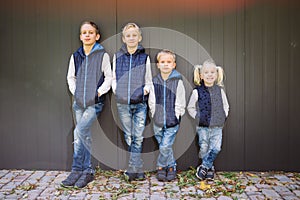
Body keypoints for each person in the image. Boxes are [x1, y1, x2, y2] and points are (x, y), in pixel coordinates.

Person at [62, 21, 112, 188]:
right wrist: (76, 93)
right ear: (80, 36)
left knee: (79, 131)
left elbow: (109, 78)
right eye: (84, 32)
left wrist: (98, 92)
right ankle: (84, 172)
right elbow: (71, 77)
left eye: (91, 32)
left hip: (94, 103)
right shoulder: (75, 56)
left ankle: (79, 169)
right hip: (79, 103)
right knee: (85, 135)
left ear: (97, 36)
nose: (87, 35)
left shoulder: (102, 55)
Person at [112, 22, 152, 181]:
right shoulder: (117, 56)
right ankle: (138, 167)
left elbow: (148, 79)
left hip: (140, 103)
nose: (131, 38)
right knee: (129, 135)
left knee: (138, 136)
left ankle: (132, 169)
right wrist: (117, 91)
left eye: (134, 35)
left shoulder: (144, 57)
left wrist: (145, 90)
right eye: (128, 35)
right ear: (123, 38)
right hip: (123, 104)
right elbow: (113, 78)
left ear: (139, 37)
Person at [187, 59, 229, 181]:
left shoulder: (220, 91)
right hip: (202, 127)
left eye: (212, 72)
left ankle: (204, 166)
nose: (209, 75)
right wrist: (197, 117)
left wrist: (223, 115)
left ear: (216, 75)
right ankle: (210, 168)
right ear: (201, 75)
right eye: (206, 72)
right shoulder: (197, 92)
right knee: (204, 148)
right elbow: (190, 107)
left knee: (216, 148)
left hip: (217, 126)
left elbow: (226, 106)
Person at [148, 49, 186, 181]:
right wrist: (154, 113)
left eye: (168, 62)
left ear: (174, 64)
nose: (165, 64)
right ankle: (170, 166)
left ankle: (161, 166)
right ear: (158, 65)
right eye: (162, 62)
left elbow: (181, 100)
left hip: (172, 120)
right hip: (157, 121)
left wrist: (177, 114)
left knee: (164, 146)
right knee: (165, 146)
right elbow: (151, 100)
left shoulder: (177, 81)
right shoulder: (154, 81)